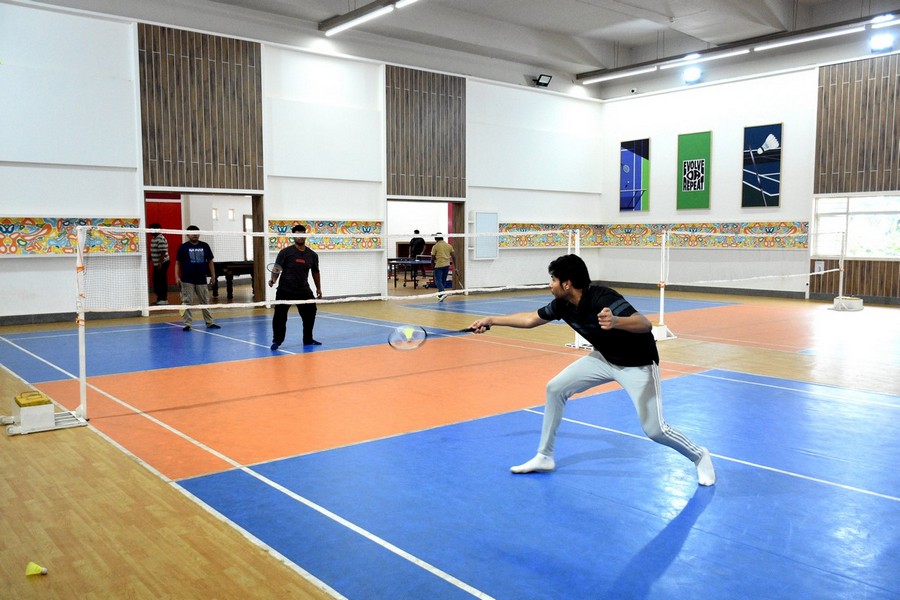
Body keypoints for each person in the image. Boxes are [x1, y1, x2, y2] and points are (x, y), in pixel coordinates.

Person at [468, 254, 716, 486]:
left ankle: (699, 455)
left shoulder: (602, 298)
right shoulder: (562, 305)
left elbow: (644, 324)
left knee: (655, 430)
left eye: (553, 279)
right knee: (555, 388)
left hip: (637, 365)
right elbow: (531, 319)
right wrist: (491, 320)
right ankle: (544, 456)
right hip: (604, 358)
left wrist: (616, 321)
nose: (550, 285)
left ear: (567, 284)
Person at [269, 224, 322, 350]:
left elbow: (315, 272)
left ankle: (308, 339)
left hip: (303, 290)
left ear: (305, 236)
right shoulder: (285, 252)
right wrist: (273, 280)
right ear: (293, 236)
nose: (300, 237)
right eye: (297, 235)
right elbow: (277, 268)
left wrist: (318, 288)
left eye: (302, 234)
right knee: (280, 316)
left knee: (311, 312)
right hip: (285, 290)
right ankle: (277, 341)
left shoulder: (312, 255)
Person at [174, 225, 220, 331]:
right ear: (188, 235)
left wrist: (213, 275)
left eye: (196, 232)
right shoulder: (183, 247)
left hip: (201, 279)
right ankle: (187, 324)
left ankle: (209, 322)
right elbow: (177, 263)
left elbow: (210, 261)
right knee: (187, 302)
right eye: (192, 233)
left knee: (205, 302)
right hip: (187, 280)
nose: (195, 234)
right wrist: (176, 277)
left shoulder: (205, 246)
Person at [149, 223, 169, 305]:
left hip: (162, 263)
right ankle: (159, 298)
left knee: (161, 281)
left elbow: (163, 252)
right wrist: (149, 258)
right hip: (157, 263)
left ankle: (164, 299)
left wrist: (160, 263)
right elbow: (153, 250)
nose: (149, 231)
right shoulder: (154, 238)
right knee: (156, 280)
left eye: (151, 229)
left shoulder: (161, 238)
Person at [430, 232, 454, 301]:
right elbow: (453, 256)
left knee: (438, 281)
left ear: (436, 239)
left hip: (439, 265)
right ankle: (440, 295)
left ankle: (443, 293)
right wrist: (455, 266)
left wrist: (432, 266)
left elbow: (432, 258)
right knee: (443, 280)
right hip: (447, 265)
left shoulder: (435, 246)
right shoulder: (449, 245)